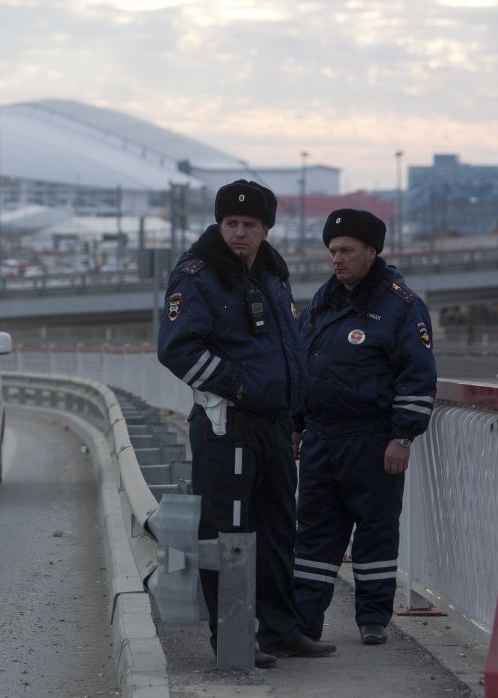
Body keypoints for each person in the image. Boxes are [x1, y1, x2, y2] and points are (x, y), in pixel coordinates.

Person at [157, 180, 337, 668]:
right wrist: (236, 386)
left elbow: (287, 349)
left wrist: (292, 410)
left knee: (279, 529)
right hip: (227, 424)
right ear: (220, 224)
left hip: (276, 426)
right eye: (231, 223)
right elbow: (177, 348)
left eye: (250, 225)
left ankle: (281, 630)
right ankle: (232, 635)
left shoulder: (272, 275)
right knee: (228, 531)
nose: (239, 232)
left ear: (265, 229)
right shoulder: (197, 275)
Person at [293, 208, 438, 646]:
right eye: (332, 251)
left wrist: (402, 436)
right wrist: (297, 425)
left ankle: (373, 619)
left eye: (347, 251)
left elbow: (417, 375)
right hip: (320, 437)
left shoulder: (401, 306)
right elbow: (304, 364)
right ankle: (304, 624)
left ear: (371, 252)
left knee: (375, 531)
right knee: (314, 533)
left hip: (373, 439)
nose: (337, 259)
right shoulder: (323, 301)